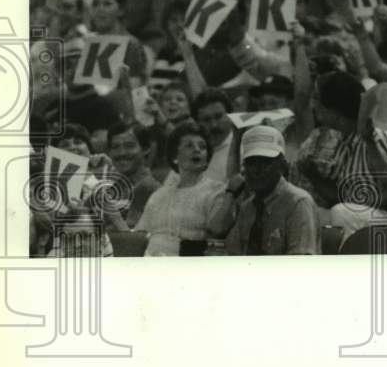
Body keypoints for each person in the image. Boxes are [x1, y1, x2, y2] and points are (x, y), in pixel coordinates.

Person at [212, 125, 319, 255]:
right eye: (251, 162)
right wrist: (231, 194)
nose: (257, 170)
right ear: (244, 168)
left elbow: (301, 261)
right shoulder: (247, 208)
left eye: (265, 162)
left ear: (282, 166)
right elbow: (228, 247)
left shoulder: (298, 203)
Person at [133, 121, 227, 256]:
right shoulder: (159, 195)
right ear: (174, 157)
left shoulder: (217, 191)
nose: (197, 150)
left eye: (202, 146)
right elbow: (138, 236)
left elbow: (217, 238)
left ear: (207, 158)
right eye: (189, 145)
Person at [106, 122, 161, 227]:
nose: (122, 153)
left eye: (129, 146)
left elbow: (133, 234)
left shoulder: (148, 188)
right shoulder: (111, 187)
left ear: (146, 149)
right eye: (115, 147)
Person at [191, 88, 234, 182]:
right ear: (197, 124)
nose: (214, 125)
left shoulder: (243, 150)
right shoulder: (190, 152)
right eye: (206, 120)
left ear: (230, 116)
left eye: (218, 117)